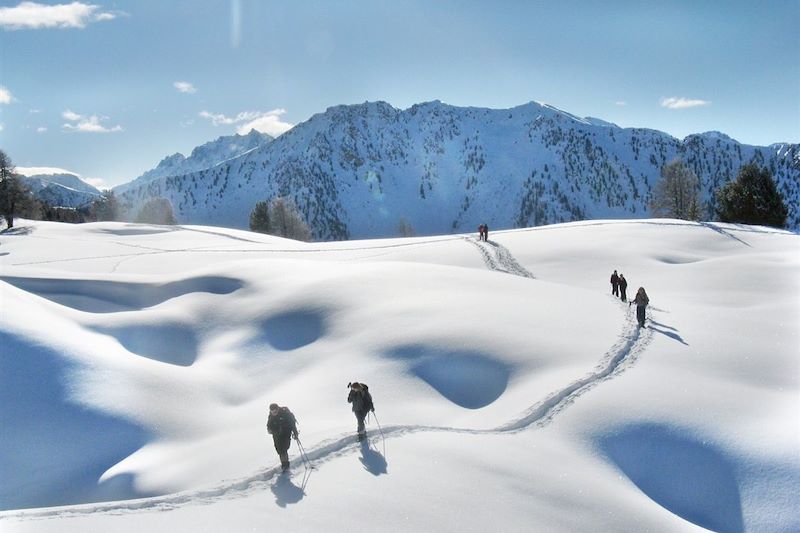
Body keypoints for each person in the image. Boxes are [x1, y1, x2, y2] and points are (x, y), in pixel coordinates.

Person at [266, 403, 298, 471]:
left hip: (286, 433)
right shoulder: (271, 416)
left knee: (283, 450)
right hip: (276, 435)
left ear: (277, 409)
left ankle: (285, 466)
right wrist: (270, 430)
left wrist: (295, 433)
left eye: (275, 411)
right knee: (279, 451)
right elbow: (268, 425)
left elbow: (292, 423)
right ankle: (284, 464)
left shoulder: (285, 413)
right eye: (272, 412)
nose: (274, 413)